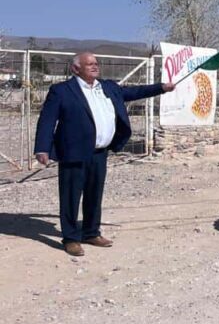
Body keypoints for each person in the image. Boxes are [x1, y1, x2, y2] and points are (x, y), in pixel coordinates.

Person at [33, 52, 174, 257]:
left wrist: (161, 87)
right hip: (73, 152)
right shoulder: (62, 91)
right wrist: (42, 148)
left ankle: (91, 232)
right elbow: (47, 120)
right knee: (71, 196)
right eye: (88, 64)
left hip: (100, 153)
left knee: (94, 194)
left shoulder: (108, 87)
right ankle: (71, 238)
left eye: (96, 63)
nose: (94, 66)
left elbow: (135, 92)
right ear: (75, 68)